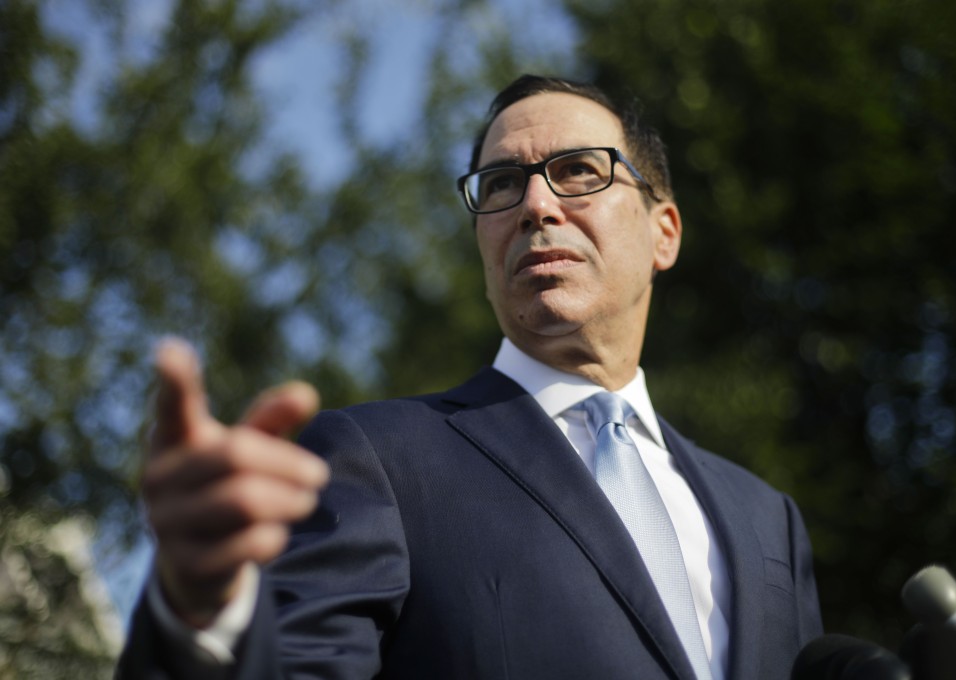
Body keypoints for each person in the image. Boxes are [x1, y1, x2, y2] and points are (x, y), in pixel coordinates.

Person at [118, 75, 823, 680]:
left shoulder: (767, 520)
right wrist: (201, 611)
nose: (537, 206)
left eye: (581, 170)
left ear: (663, 230)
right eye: (502, 183)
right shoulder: (381, 462)